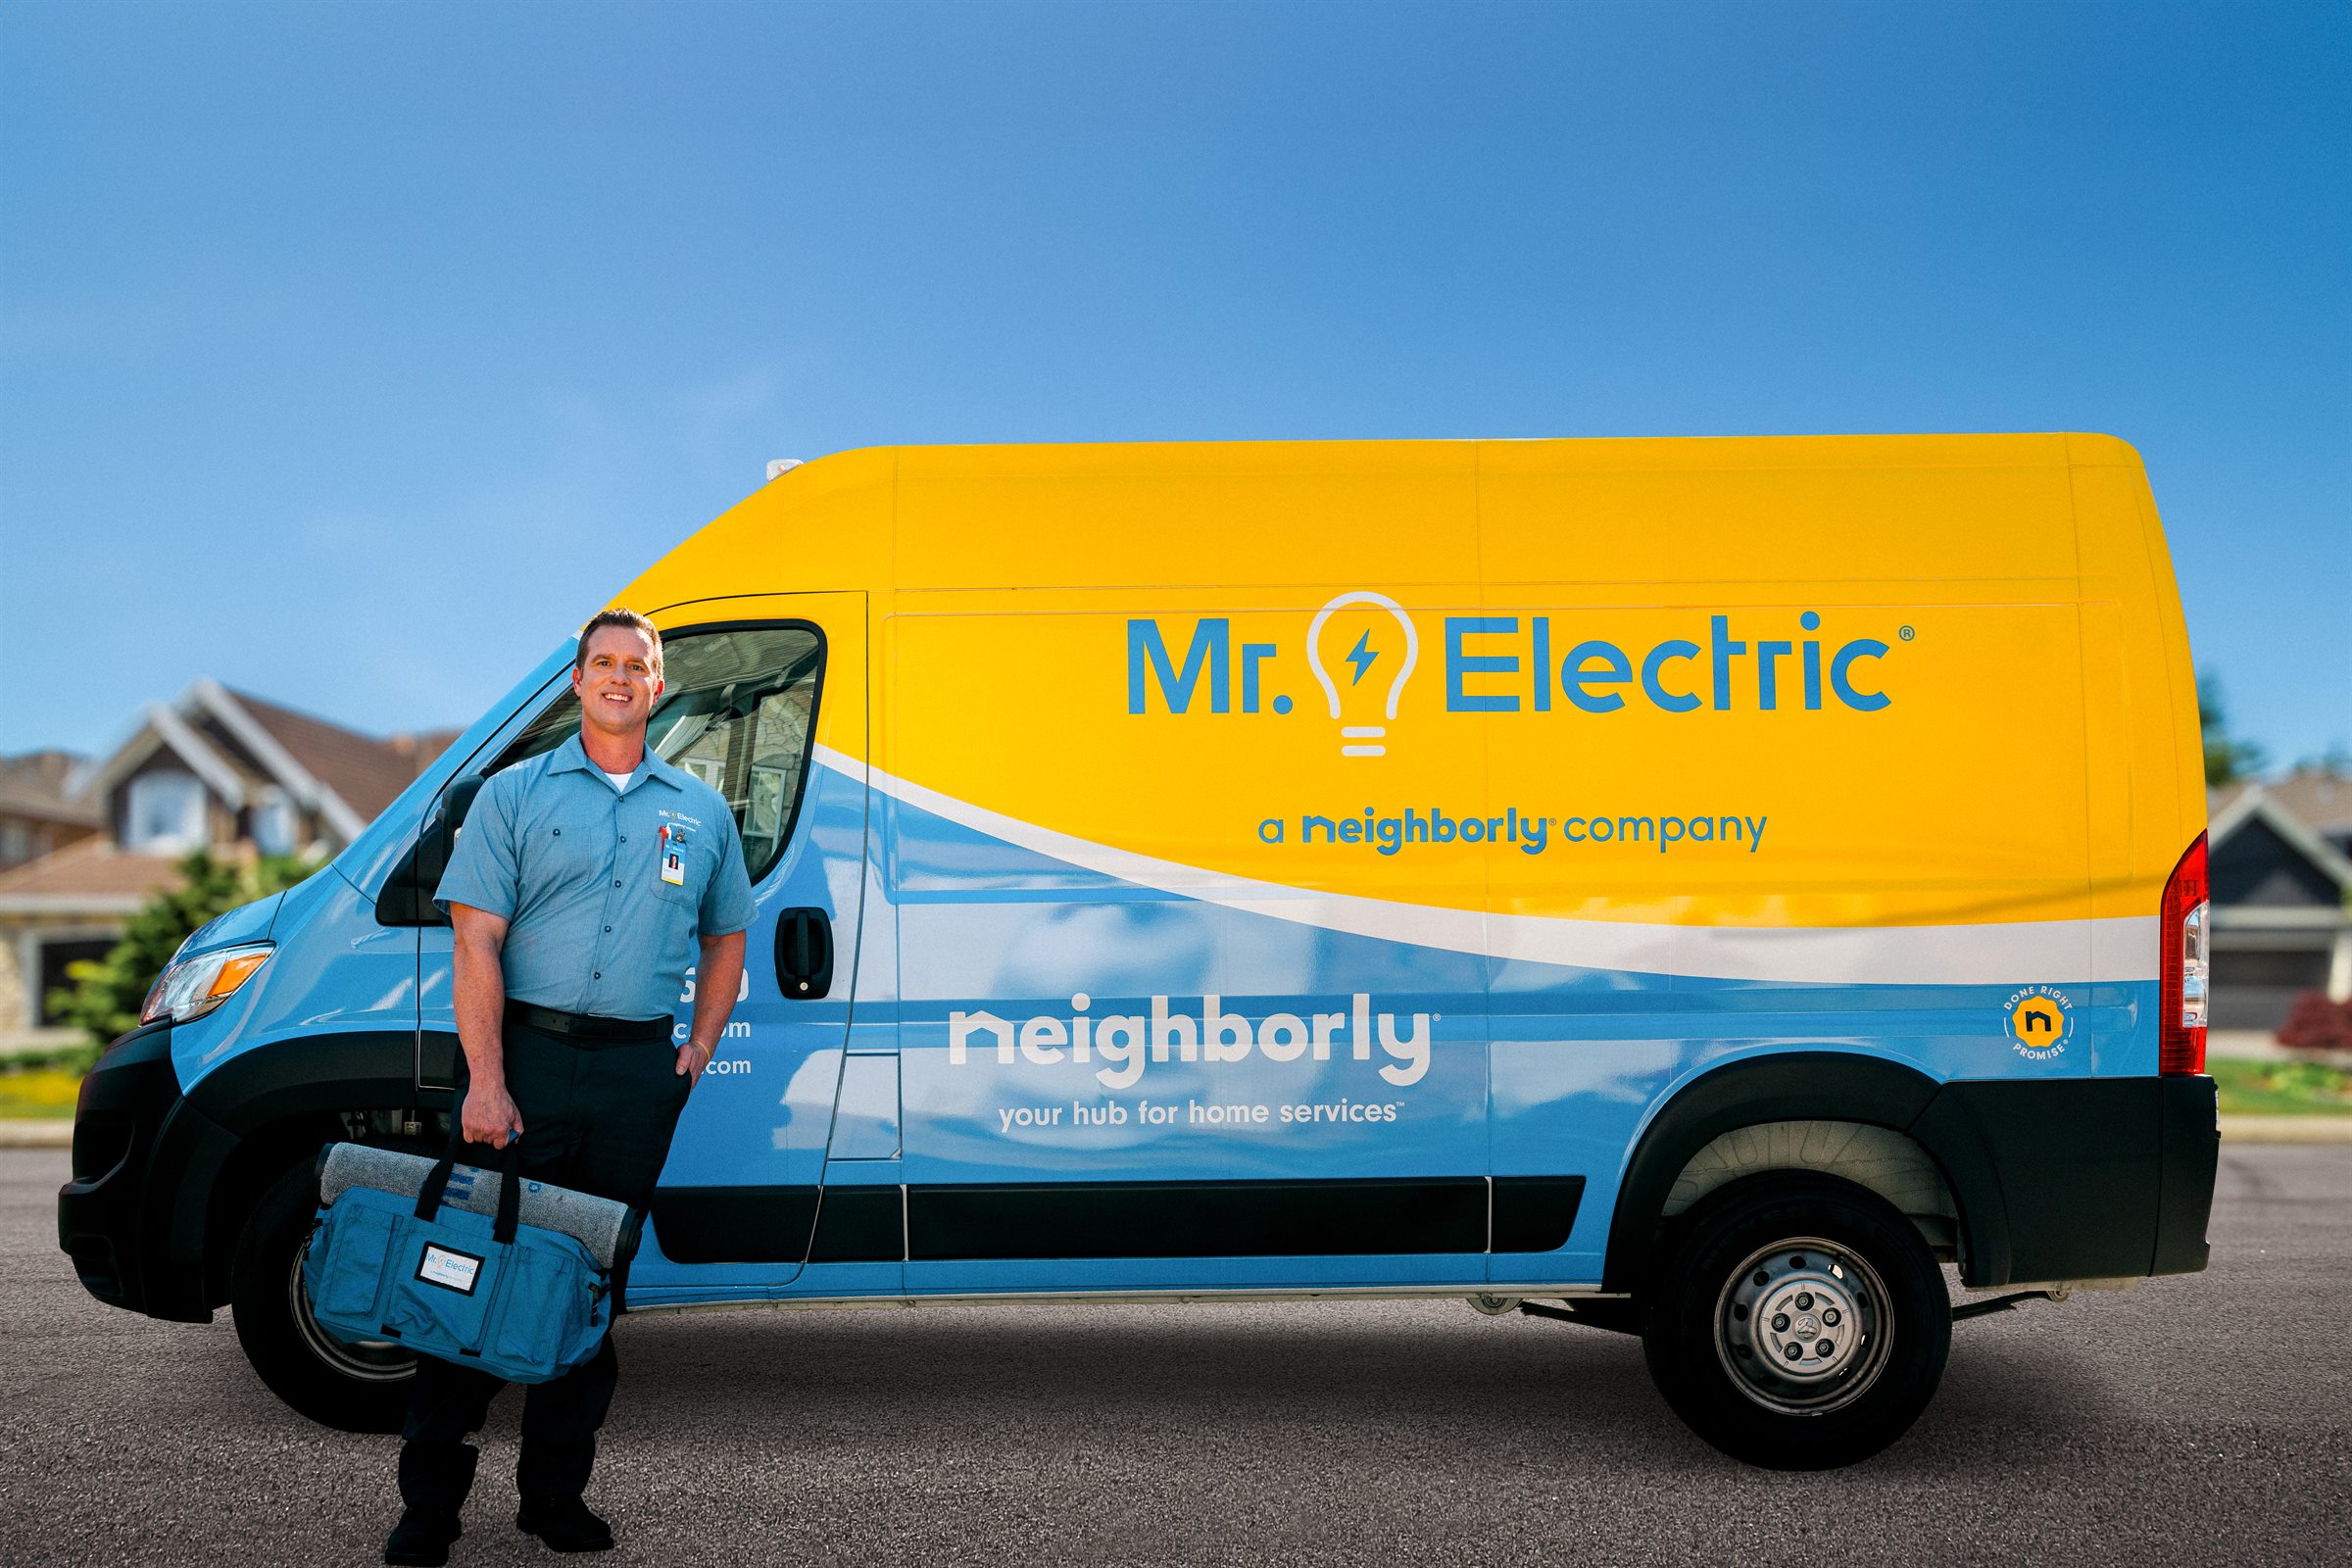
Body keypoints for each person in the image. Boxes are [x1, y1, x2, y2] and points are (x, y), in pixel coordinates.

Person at [384, 609, 754, 1566]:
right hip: (524, 1062)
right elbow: (476, 940)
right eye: (605, 663)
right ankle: (429, 1508)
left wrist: (700, 1041)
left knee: (588, 1286)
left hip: (637, 1073)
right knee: (475, 1273)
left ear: (658, 685)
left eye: (639, 665)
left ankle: (554, 1498)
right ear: (579, 680)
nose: (622, 677)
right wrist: (488, 1081)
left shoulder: (700, 811)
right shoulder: (513, 794)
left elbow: (728, 934)